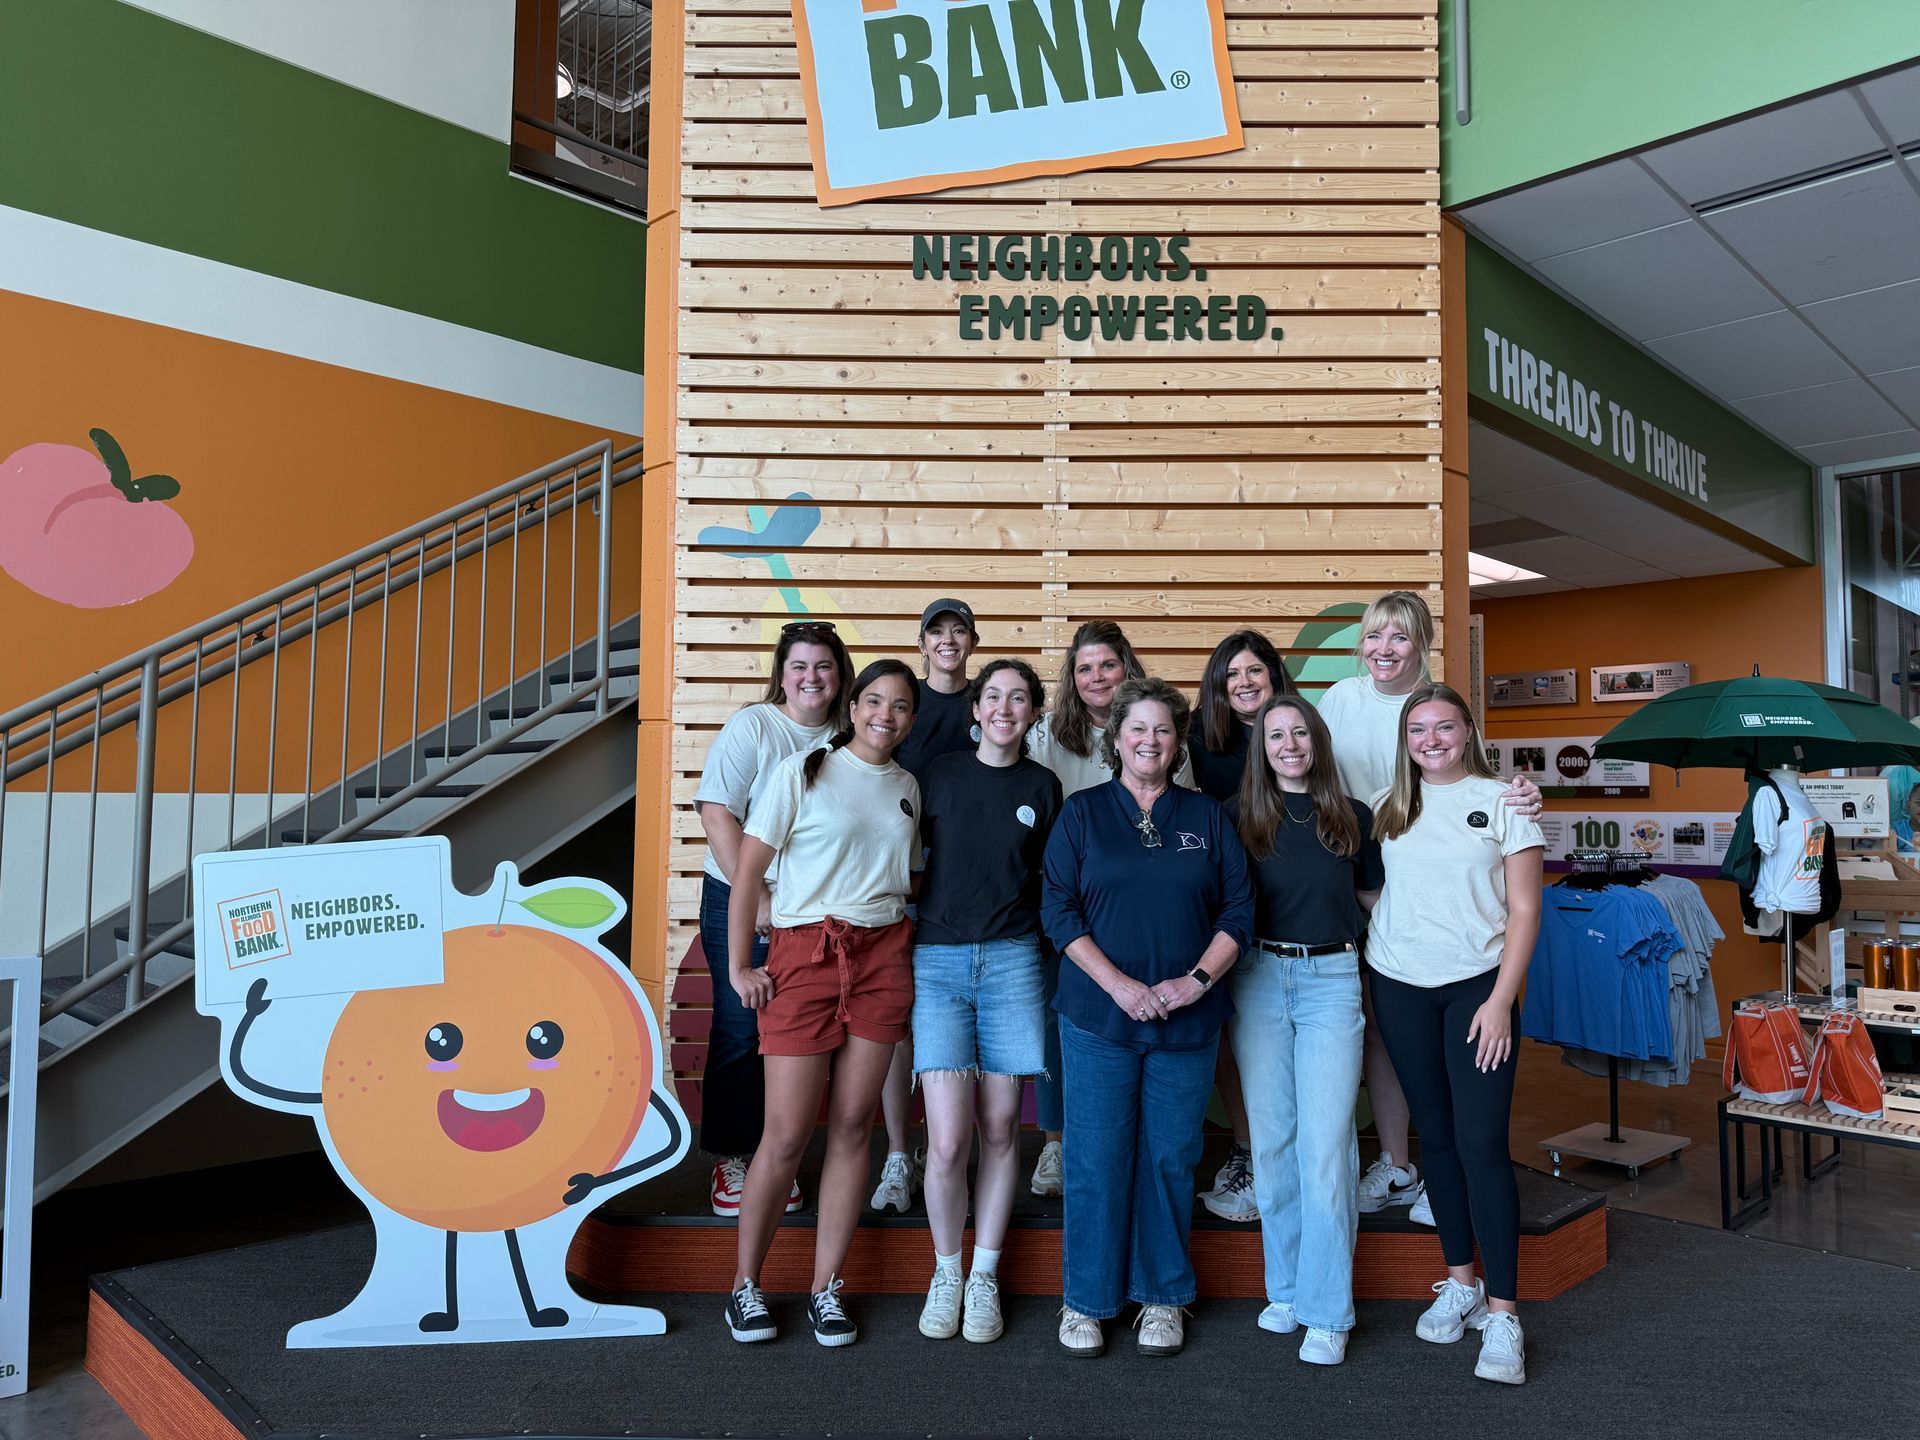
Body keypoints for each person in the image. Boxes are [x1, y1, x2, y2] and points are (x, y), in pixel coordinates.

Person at [1042, 677, 1253, 1358]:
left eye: (1163, 730)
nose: (1150, 741)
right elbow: (1059, 912)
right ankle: (1087, 1300)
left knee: (1169, 1157)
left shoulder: (1207, 817)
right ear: (1116, 738)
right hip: (1098, 1018)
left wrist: (1194, 983)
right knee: (1097, 1160)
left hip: (1186, 1022)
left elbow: (1239, 912)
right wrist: (1121, 987)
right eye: (1138, 729)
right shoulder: (1081, 814)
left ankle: (1163, 1296)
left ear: (1177, 741)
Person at [1315, 592, 1539, 1222]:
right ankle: (1398, 1164)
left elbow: (1477, 782)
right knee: (1385, 1024)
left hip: (1424, 885)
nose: (1384, 650)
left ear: (1422, 645)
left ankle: (1433, 1168)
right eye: (1374, 637)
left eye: (1400, 637)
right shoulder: (1339, 700)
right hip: (1357, 871)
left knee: (1440, 1036)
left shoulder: (1437, 708)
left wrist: (1524, 793)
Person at [722, 660, 923, 1347]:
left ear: (911, 719)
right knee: (783, 1135)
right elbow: (747, 871)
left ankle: (825, 1289)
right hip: (805, 954)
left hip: (882, 956)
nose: (884, 716)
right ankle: (745, 1286)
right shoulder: (803, 771)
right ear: (854, 706)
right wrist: (739, 965)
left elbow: (898, 878)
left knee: (851, 1128)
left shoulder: (907, 788)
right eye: (874, 701)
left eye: (900, 706)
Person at [1365, 682, 1543, 1385]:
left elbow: (1525, 911)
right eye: (1418, 730)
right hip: (1400, 987)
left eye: (1444, 727)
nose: (1431, 740)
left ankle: (1503, 1315)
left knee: (1481, 1146)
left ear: (1468, 733)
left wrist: (1502, 999)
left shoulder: (1507, 802)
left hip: (1477, 992)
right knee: (1433, 1141)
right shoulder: (1389, 807)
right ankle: (1461, 1281)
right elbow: (1386, 891)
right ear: (1405, 742)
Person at [912, 658, 1064, 1343]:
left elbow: (1048, 879)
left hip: (1013, 963)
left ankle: (984, 1276)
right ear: (976, 708)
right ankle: (947, 1268)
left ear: (1033, 713)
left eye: (1020, 698)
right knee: (946, 1141)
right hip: (938, 964)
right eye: (994, 696)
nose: (1005, 707)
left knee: (1002, 1128)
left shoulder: (1043, 785)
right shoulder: (937, 774)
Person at [1227, 695, 1380, 1366]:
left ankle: (1328, 1310)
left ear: (1316, 741)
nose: (1289, 744)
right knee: (1274, 1142)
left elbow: (1380, 904)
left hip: (1332, 982)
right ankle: (1286, 1288)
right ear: (1261, 747)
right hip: (1257, 978)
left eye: (1299, 733)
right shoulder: (1239, 822)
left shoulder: (1354, 818)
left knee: (1325, 1147)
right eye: (1275, 735)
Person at [693, 619, 852, 1218]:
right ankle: (733, 1158)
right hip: (740, 897)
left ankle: (774, 1156)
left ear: (840, 675)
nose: (812, 677)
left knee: (791, 1035)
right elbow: (716, 814)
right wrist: (753, 897)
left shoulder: (850, 735)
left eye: (823, 666)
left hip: (814, 909)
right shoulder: (753, 727)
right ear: (781, 674)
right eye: (799, 667)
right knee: (740, 1027)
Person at [1026, 621, 1190, 1200]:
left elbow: (1181, 813)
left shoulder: (1160, 735)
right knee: (1061, 1021)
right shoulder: (1048, 735)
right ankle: (1054, 1142)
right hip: (1068, 900)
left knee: (1140, 1023)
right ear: (1073, 678)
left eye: (1108, 665)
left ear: (1128, 668)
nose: (1097, 677)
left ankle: (1132, 1145)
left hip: (1140, 905)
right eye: (1085, 668)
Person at [872, 599, 982, 1217]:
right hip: (901, 888)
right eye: (936, 631)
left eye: (957, 631)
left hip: (966, 894)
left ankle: (950, 1157)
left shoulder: (985, 703)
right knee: (896, 1026)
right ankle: (896, 1154)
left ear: (971, 641)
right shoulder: (899, 703)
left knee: (955, 1030)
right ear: (921, 642)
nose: (947, 640)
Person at [1188, 629, 1295, 1222]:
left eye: (1255, 671)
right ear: (1219, 687)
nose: (1245, 682)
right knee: (1233, 1034)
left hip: (1295, 904)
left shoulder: (1302, 733)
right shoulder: (1200, 741)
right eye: (1233, 675)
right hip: (1227, 905)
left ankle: (1289, 1162)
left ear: (1274, 675)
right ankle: (1250, 1153)